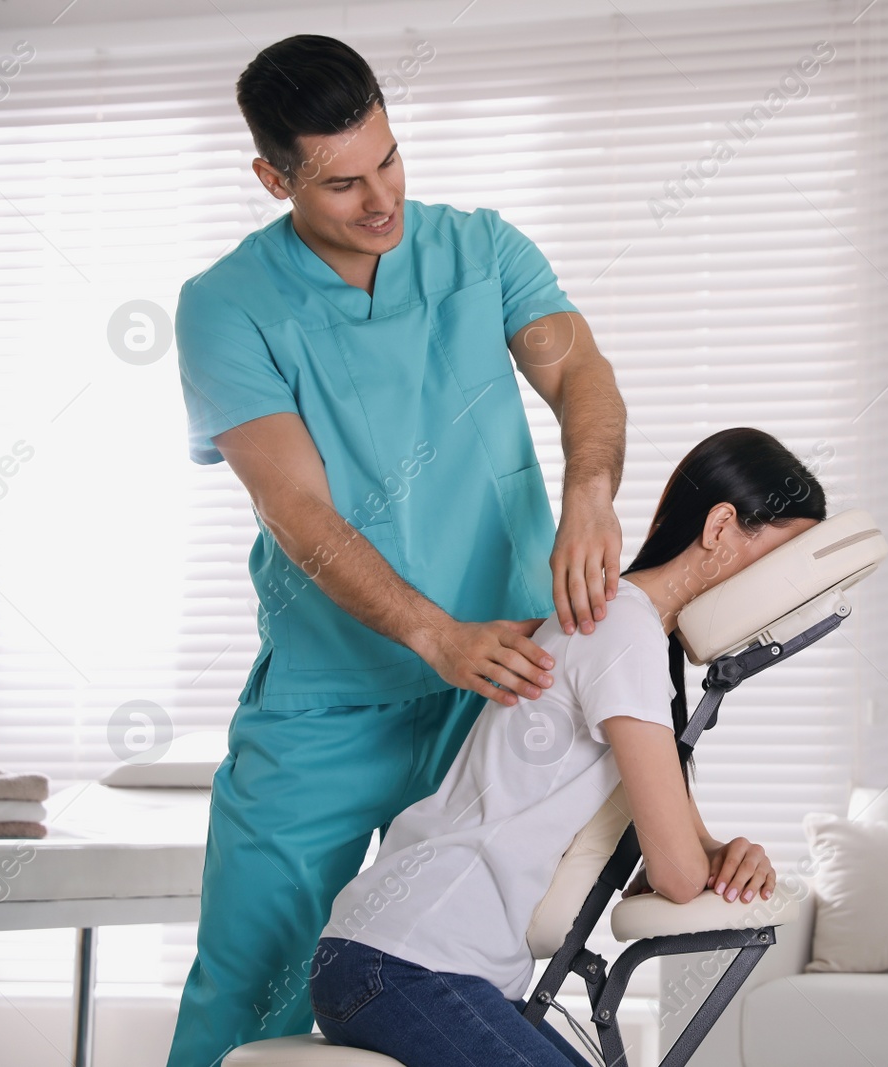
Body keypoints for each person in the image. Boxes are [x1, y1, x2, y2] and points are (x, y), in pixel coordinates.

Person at [166, 35, 628, 1066]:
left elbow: (579, 370)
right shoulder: (227, 307)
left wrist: (591, 492)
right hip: (331, 698)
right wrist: (430, 631)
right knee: (252, 978)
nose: (381, 201)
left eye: (389, 160)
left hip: (499, 684)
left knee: (451, 982)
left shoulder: (479, 248)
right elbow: (294, 505)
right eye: (341, 182)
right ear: (271, 178)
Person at [306, 427, 826, 1067]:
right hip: (403, 962)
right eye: (780, 558)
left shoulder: (627, 627)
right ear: (721, 526)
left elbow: (684, 844)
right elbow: (675, 873)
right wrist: (698, 865)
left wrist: (728, 853)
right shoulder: (626, 631)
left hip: (416, 965)